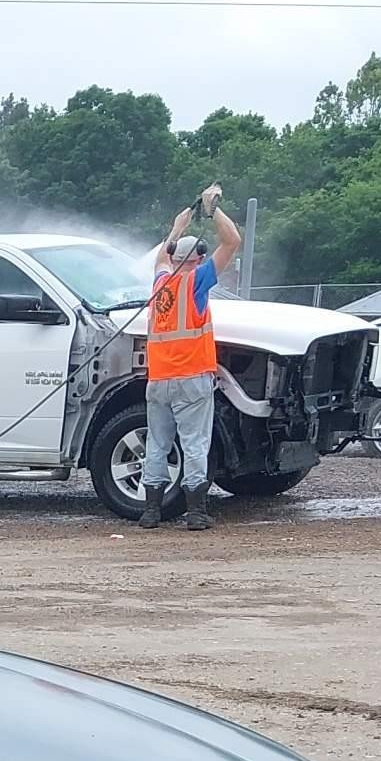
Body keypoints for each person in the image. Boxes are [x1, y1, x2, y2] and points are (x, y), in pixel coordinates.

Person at [142, 184, 242, 533]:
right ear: (198, 259)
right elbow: (232, 243)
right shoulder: (196, 283)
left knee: (157, 444)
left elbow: (160, 259)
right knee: (194, 444)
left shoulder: (160, 286)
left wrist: (176, 228)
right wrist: (212, 211)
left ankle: (151, 512)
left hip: (158, 382)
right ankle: (196, 513)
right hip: (191, 380)